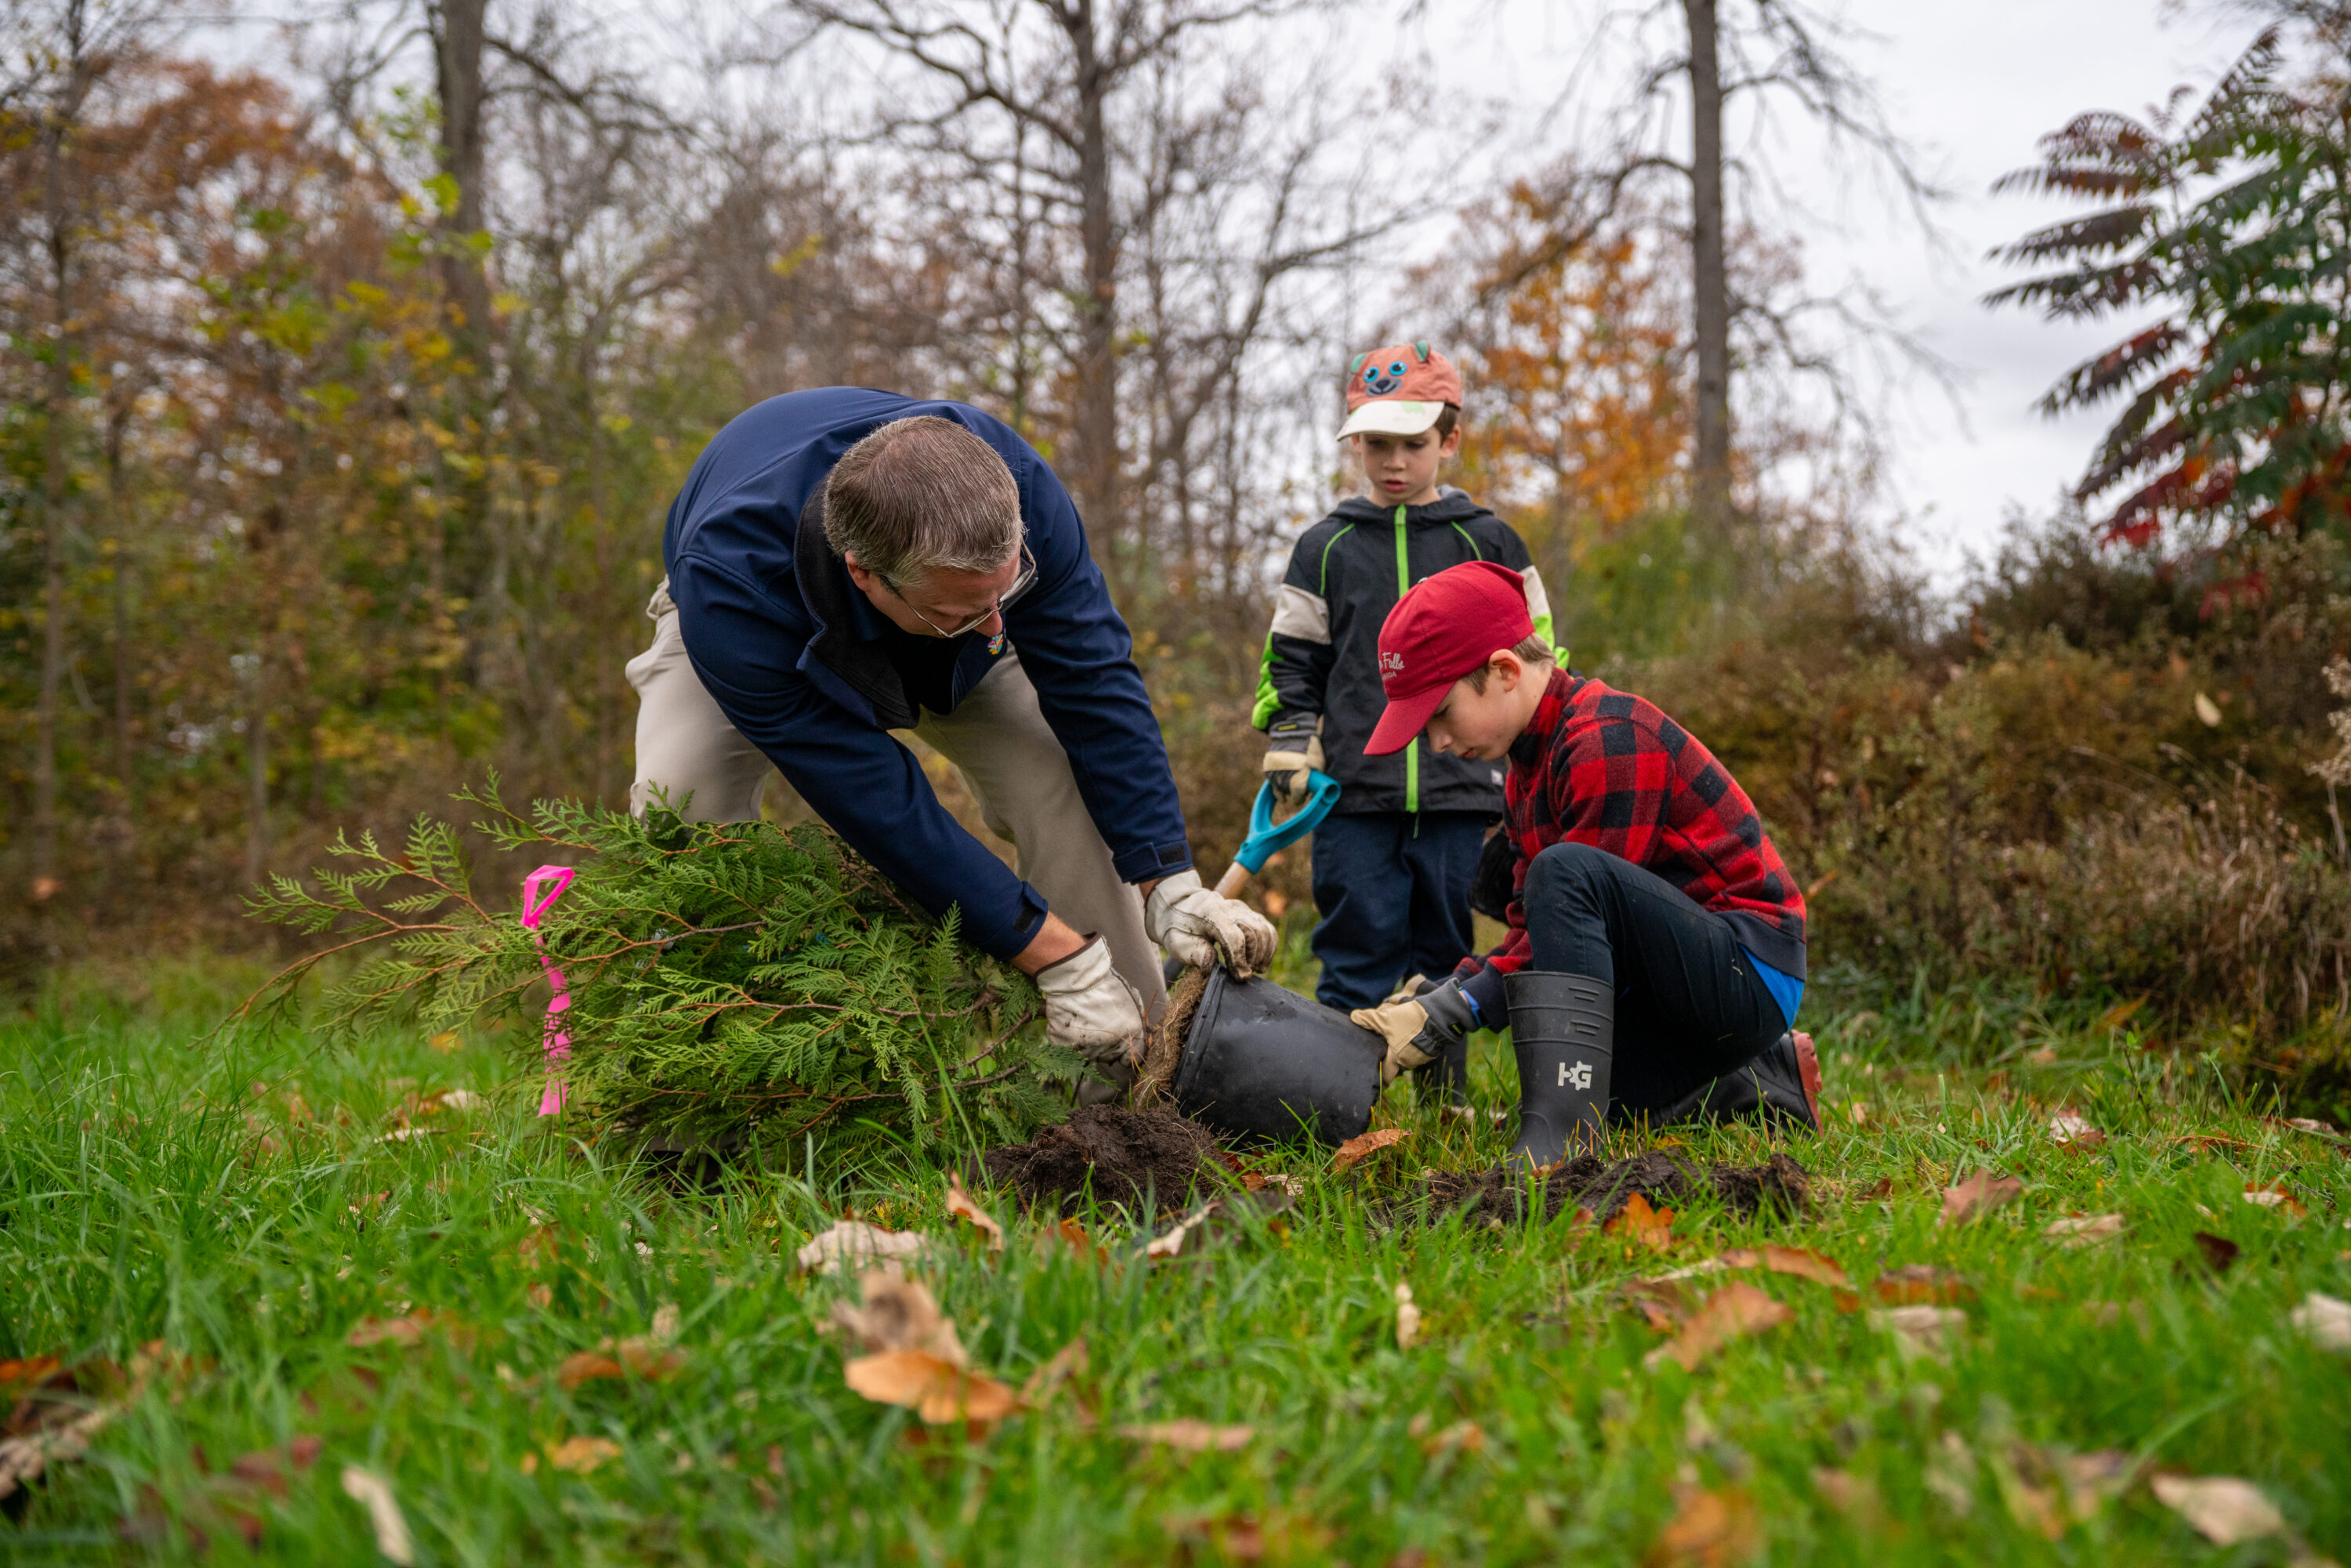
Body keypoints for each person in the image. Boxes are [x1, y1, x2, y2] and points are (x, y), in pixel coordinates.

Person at [626, 389, 1277, 1097]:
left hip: (942, 626)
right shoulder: (732, 585)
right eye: (964, 607)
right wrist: (1054, 956)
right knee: (681, 802)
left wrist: (1169, 877)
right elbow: (881, 806)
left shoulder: (1019, 491)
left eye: (1006, 593)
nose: (999, 626)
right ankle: (698, 1074)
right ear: (864, 574)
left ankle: (1127, 1077)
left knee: (1051, 765)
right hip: (771, 628)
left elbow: (1093, 682)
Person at [1346, 561, 1821, 1166]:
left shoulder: (1607, 738)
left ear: (1503, 671)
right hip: (1678, 984)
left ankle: (1567, 1135)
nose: (1436, 741)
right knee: (1592, 1073)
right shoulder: (1526, 770)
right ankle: (1757, 1075)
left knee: (1564, 876)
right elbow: (1529, 929)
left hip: (1748, 968)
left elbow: (1578, 899)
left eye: (1440, 713)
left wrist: (1452, 1009)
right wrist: (1445, 992)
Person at [1252, 342, 1554, 1097]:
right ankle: (1332, 1095)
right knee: (1355, 940)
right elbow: (1292, 655)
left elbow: (1540, 652)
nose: (1393, 461)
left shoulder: (1486, 541)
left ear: (1448, 441)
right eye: (1376, 444)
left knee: (1447, 945)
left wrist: (1533, 750)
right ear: (1356, 441)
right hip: (1354, 790)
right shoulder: (1326, 547)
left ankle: (1442, 1099)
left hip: (1464, 791)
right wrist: (1294, 736)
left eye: (1412, 444)